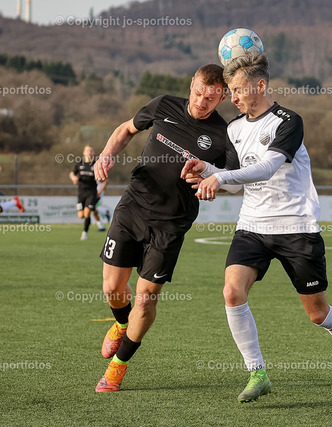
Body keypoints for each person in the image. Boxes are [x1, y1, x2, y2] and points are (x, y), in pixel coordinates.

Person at [180, 52, 332, 403]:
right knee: (232, 292)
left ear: (260, 85)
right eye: (231, 91)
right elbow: (237, 183)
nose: (233, 98)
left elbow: (268, 167)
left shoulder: (289, 121)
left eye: (238, 90)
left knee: (317, 314)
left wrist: (219, 177)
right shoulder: (234, 129)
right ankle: (257, 373)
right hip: (252, 226)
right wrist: (207, 169)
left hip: (296, 227)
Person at [93, 64, 238, 393]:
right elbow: (126, 129)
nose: (201, 102)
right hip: (133, 207)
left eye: (211, 98)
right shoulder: (163, 105)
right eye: (198, 93)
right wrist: (106, 155)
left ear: (223, 97)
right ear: (192, 85)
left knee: (145, 301)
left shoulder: (225, 134)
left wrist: (209, 179)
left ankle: (117, 368)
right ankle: (121, 323)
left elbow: (233, 181)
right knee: (113, 288)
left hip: (172, 224)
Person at [69, 145, 106, 240]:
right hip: (81, 193)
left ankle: (84, 233)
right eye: (87, 150)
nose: (89, 152)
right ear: (84, 153)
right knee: (81, 216)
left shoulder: (96, 164)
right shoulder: (79, 164)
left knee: (86, 214)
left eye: (91, 150)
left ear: (93, 153)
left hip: (91, 192)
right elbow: (72, 173)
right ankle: (96, 213)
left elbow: (103, 179)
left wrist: (99, 179)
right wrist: (74, 178)